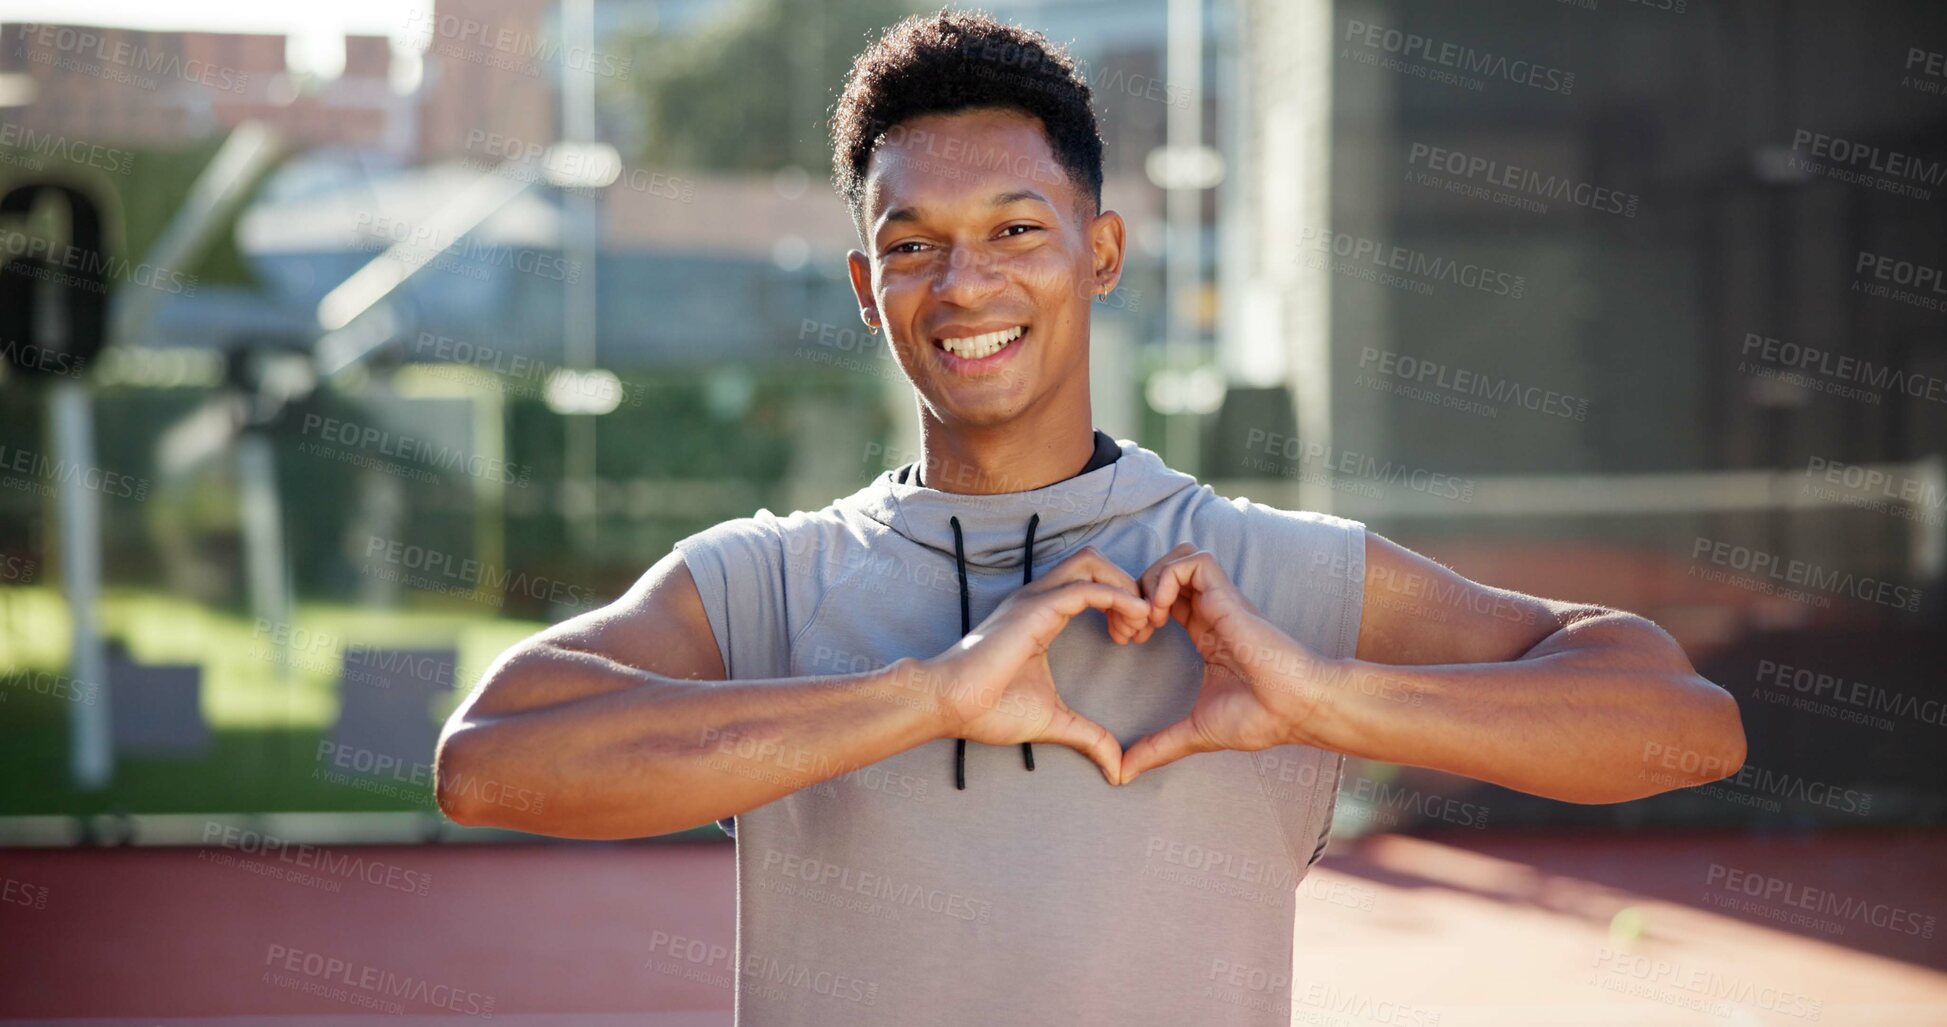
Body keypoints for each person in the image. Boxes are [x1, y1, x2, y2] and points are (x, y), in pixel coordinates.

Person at [434, 10, 1745, 1025]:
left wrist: (1325, 699)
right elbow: (487, 762)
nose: (963, 284)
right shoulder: (762, 583)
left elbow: (1685, 730)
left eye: (1015, 228)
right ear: (863, 284)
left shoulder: (1263, 571)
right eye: (911, 244)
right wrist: (928, 697)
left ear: (1101, 253)